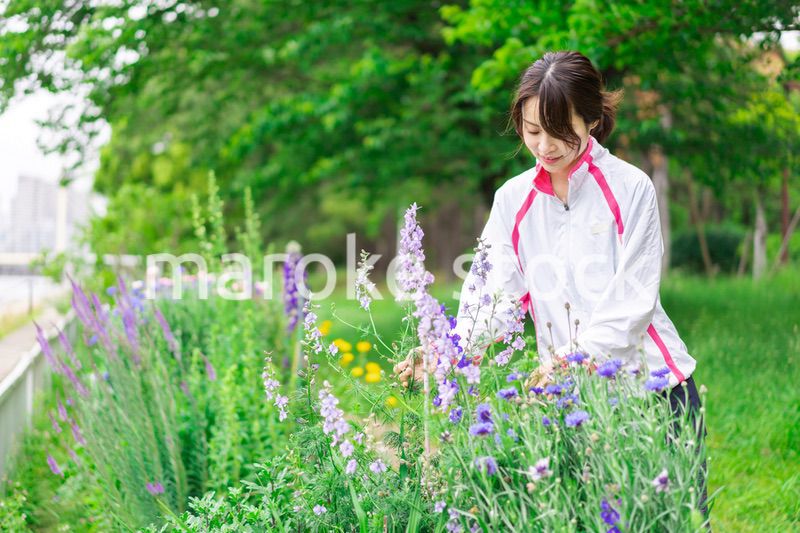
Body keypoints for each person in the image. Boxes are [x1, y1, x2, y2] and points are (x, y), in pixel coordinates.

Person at [394, 50, 708, 521]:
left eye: (559, 131)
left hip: (654, 395)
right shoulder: (513, 200)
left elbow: (633, 300)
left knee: (671, 522)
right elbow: (493, 297)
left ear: (593, 121)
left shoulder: (630, 188)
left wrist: (572, 359)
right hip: (568, 406)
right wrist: (448, 353)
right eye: (532, 130)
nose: (544, 146)